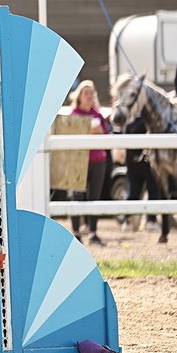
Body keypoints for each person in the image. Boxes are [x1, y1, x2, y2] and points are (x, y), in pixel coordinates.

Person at [68, 80, 110, 245]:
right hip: (78, 161)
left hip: (98, 160)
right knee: (77, 195)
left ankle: (93, 232)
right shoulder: (74, 115)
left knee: (95, 196)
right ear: (79, 96)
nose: (89, 96)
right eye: (86, 93)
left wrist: (99, 132)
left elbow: (106, 135)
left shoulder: (98, 115)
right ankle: (76, 232)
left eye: (91, 93)